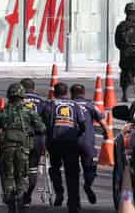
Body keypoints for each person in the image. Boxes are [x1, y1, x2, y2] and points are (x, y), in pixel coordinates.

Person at [0, 83, 46, 213]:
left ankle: (9, 200)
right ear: (22, 96)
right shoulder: (29, 111)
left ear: (9, 95)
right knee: (22, 175)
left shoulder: (3, 113)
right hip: (23, 149)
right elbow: (42, 128)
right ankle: (21, 198)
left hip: (6, 149)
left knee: (8, 175)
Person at [42, 82, 86, 213]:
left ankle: (59, 192)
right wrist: (76, 134)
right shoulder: (75, 105)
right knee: (72, 172)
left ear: (54, 93)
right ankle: (74, 201)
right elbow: (82, 125)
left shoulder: (49, 104)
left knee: (55, 168)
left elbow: (44, 123)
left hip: (55, 141)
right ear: (67, 92)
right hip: (71, 142)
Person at [70, 84, 108, 205]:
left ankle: (75, 199)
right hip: (87, 142)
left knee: (73, 172)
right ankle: (88, 185)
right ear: (84, 93)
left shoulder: (69, 105)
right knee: (89, 168)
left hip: (71, 142)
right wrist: (106, 134)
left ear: (72, 94)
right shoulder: (90, 105)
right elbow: (103, 123)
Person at [19, 78, 47, 207]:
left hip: (19, 138)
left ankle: (17, 192)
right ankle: (28, 195)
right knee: (33, 168)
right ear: (34, 88)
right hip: (36, 139)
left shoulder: (16, 100)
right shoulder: (42, 102)